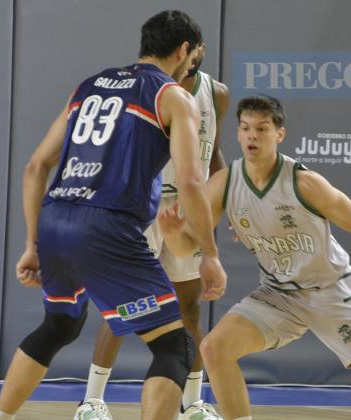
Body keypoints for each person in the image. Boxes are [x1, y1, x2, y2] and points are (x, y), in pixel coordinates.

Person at [158, 95, 351, 420]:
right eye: (245, 129)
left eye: (261, 129)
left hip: (330, 290)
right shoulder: (225, 183)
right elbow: (186, 249)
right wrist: (174, 232)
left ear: (279, 135)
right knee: (214, 349)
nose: (251, 137)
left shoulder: (303, 182)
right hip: (278, 293)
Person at [0, 10, 225, 420]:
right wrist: (210, 253)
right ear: (184, 50)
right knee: (175, 346)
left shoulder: (90, 85)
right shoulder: (173, 96)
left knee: (59, 326)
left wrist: (32, 244)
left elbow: (35, 167)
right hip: (107, 224)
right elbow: (189, 182)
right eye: (193, 54)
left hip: (56, 218)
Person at [75, 41, 230, 420]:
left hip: (187, 210)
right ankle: (92, 401)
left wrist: (227, 207)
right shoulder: (145, 89)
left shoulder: (217, 94)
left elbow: (215, 157)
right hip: (140, 208)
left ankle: (192, 403)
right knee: (123, 308)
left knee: (189, 310)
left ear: (199, 51)